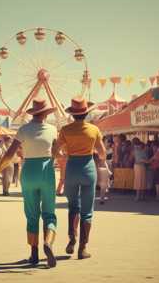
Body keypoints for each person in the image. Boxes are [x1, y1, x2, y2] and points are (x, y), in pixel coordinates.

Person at [0, 99, 58, 268]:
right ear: (46, 113)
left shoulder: (24, 130)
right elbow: (56, 152)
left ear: (33, 113)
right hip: (47, 171)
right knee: (49, 213)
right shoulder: (53, 129)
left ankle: (34, 254)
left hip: (29, 171)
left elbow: (10, 154)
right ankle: (48, 243)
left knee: (32, 214)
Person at [54, 98, 106, 260]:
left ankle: (72, 238)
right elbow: (103, 153)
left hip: (71, 168)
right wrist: (97, 156)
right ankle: (82, 248)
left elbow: (55, 150)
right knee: (87, 210)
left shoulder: (65, 130)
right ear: (86, 113)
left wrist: (64, 156)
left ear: (72, 114)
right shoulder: (94, 129)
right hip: (88, 168)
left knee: (73, 206)